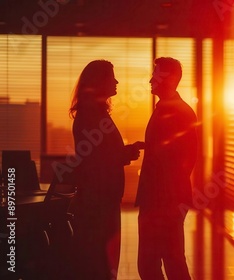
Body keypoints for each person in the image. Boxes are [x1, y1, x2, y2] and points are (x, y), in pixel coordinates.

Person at [70, 60, 143, 280]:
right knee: (102, 262)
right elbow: (97, 161)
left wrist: (125, 152)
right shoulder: (93, 116)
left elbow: (101, 154)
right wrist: (125, 153)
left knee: (102, 260)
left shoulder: (94, 114)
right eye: (112, 77)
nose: (117, 81)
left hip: (102, 198)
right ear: (100, 81)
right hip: (99, 200)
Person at [135, 57, 198, 280]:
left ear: (170, 78)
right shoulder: (168, 109)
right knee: (165, 262)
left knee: (160, 263)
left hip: (164, 201)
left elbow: (185, 159)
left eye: (157, 74)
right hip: (160, 200)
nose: (151, 79)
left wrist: (169, 203)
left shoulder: (179, 112)